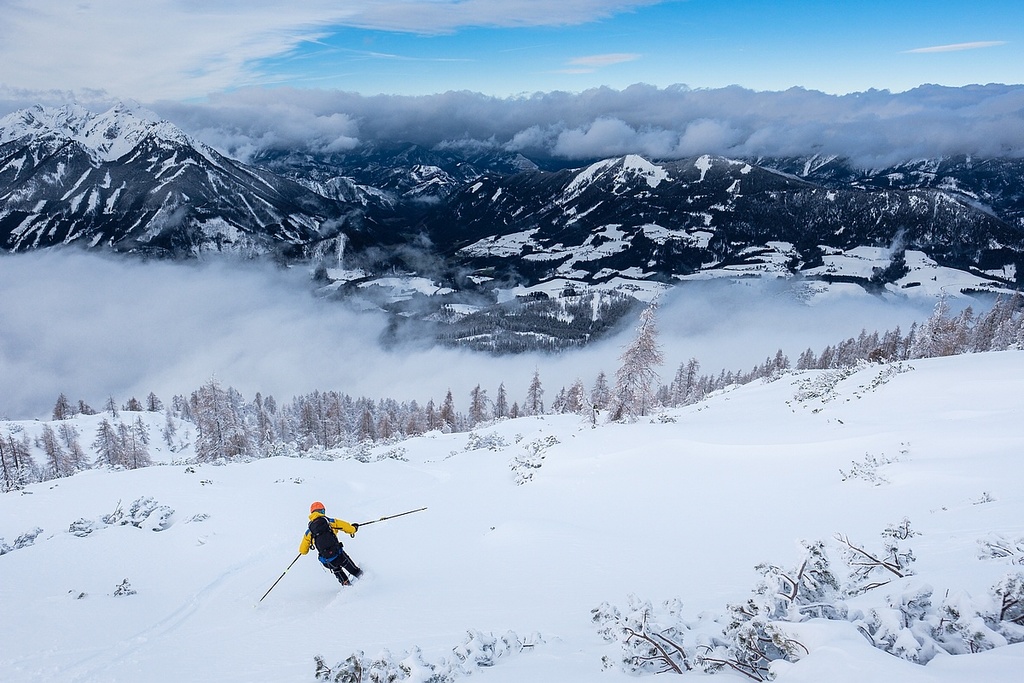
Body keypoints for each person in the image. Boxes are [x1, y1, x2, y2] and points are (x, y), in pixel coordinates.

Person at [299, 501, 364, 585]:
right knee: (349, 565)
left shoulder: (309, 531)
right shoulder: (330, 521)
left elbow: (303, 551)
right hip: (338, 554)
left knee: (336, 569)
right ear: (322, 511)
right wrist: (354, 528)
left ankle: (347, 585)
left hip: (327, 560)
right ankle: (363, 578)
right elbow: (348, 528)